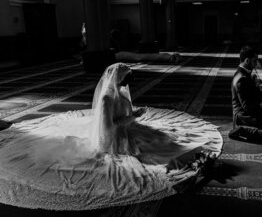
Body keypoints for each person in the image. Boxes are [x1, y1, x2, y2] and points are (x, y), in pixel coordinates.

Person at [0, 63, 222, 210]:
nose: (127, 85)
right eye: (125, 80)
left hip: (124, 130)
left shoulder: (120, 90)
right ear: (117, 79)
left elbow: (124, 115)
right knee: (154, 153)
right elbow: (108, 131)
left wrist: (133, 115)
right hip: (111, 140)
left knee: (165, 141)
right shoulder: (107, 99)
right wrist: (131, 120)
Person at [229, 46, 262, 141]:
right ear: (247, 60)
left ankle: (255, 130)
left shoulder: (245, 73)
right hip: (244, 115)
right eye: (255, 61)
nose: (256, 64)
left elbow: (251, 94)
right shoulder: (241, 79)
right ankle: (243, 131)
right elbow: (247, 106)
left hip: (252, 111)